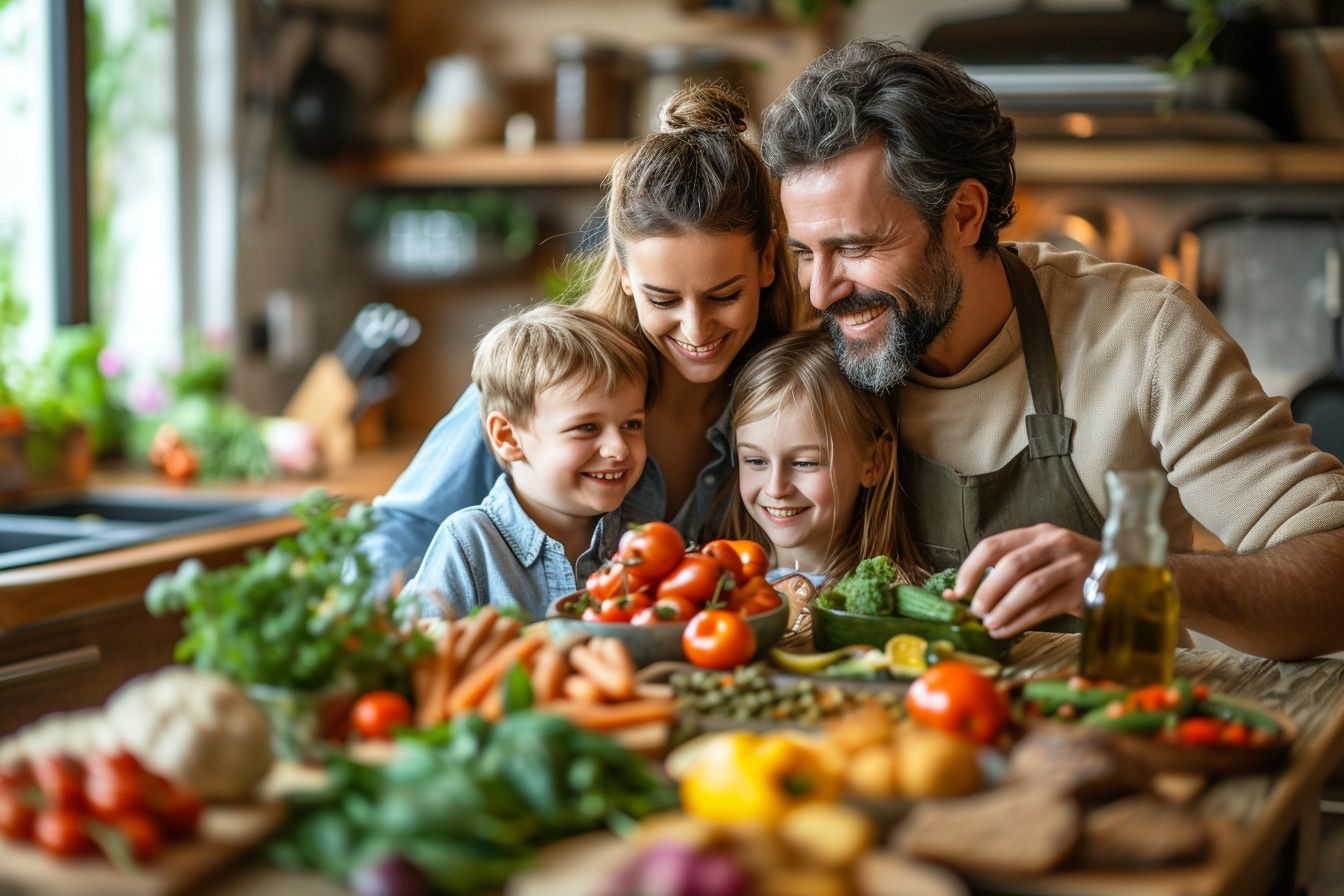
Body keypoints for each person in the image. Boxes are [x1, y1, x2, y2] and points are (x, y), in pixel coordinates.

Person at [760, 39, 1344, 659]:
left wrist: (1116, 575)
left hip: (1111, 720)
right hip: (893, 734)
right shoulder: (803, 355)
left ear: (963, 215)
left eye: (855, 248)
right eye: (804, 254)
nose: (822, 291)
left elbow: (1333, 575)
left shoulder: (1141, 334)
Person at [362, 84, 809, 590]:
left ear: (768, 261)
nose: (696, 328)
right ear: (622, 272)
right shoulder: (552, 374)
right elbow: (397, 535)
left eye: (724, 296)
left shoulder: (789, 397)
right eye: (662, 300)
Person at [404, 305, 648, 620]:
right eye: (587, 427)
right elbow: (420, 654)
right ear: (508, 438)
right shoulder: (467, 543)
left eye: (632, 424)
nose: (618, 449)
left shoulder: (647, 536)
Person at [712, 325, 922, 589]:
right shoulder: (716, 582)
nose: (775, 488)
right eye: (756, 461)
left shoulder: (890, 595)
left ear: (875, 462)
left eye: (804, 463)